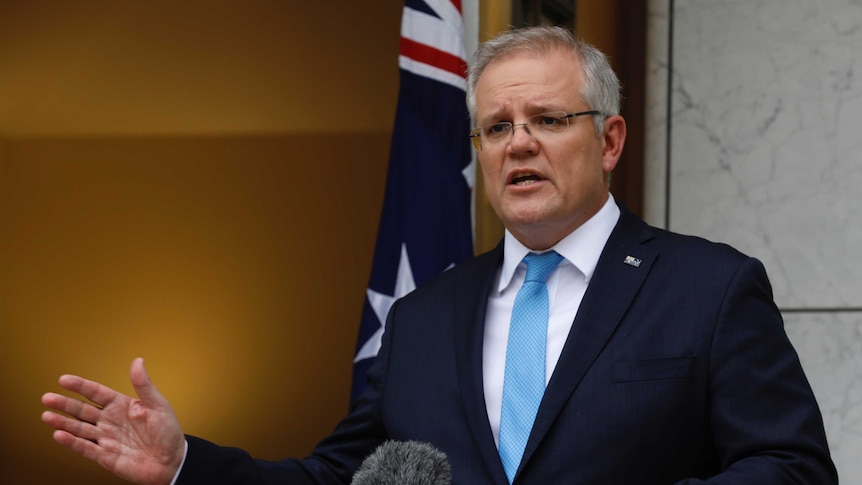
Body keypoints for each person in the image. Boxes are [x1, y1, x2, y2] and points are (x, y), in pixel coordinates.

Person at [41, 26, 838, 484]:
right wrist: (187, 464)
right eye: (497, 127)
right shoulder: (425, 316)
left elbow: (792, 470)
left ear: (610, 140)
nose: (518, 143)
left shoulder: (710, 286)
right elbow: (337, 479)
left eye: (548, 120)